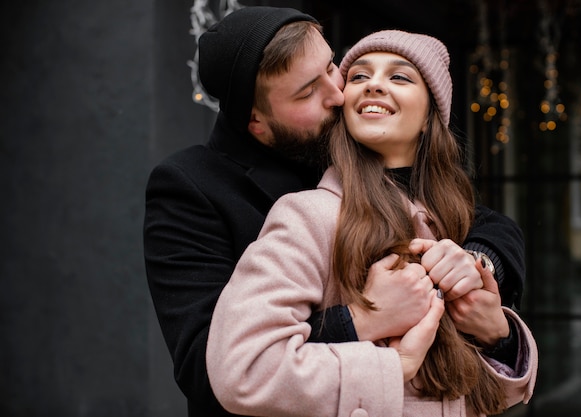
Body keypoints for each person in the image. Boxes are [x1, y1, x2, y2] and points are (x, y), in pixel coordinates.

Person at [143, 7, 526, 416]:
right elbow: (211, 367)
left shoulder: (361, 149)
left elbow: (480, 220)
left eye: (332, 66)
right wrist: (361, 320)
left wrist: (478, 269)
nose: (339, 93)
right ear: (256, 120)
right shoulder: (191, 186)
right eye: (307, 92)